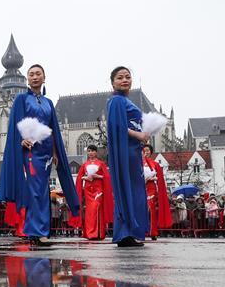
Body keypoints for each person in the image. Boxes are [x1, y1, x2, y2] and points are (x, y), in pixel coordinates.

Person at [0, 64, 80, 247]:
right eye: (31, 74)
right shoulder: (21, 99)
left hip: (47, 151)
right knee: (36, 189)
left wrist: (55, 152)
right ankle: (39, 231)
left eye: (38, 74)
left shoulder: (49, 102)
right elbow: (15, 125)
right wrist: (20, 140)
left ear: (44, 77)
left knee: (42, 190)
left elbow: (53, 130)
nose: (35, 77)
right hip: (31, 151)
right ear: (27, 78)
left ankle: (36, 229)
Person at [105, 67, 149, 248]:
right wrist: (139, 135)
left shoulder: (125, 101)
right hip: (126, 152)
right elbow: (117, 126)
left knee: (134, 192)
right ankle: (125, 233)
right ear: (113, 82)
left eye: (127, 77)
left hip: (133, 152)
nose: (125, 80)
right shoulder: (116, 101)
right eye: (120, 78)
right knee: (128, 191)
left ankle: (130, 231)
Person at [71, 145, 113, 240]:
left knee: (97, 208)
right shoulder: (84, 165)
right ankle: (90, 233)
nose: (90, 153)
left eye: (93, 151)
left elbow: (106, 177)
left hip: (99, 190)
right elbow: (79, 178)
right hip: (88, 190)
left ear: (96, 152)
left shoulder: (101, 164)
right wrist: (86, 177)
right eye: (89, 151)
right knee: (90, 211)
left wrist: (96, 176)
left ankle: (99, 233)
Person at [142, 144, 172, 240]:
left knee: (151, 209)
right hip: (141, 188)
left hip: (151, 189)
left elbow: (159, 178)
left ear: (151, 152)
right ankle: (142, 231)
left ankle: (153, 232)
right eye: (144, 150)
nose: (146, 152)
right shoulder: (138, 163)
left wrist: (152, 178)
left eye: (147, 151)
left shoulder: (155, 164)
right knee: (141, 209)